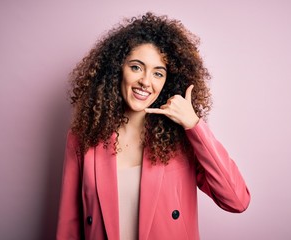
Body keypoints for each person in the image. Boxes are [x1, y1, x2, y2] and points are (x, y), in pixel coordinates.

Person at [56, 12, 250, 240]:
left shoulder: (181, 137)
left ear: (168, 81)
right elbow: (69, 223)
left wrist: (194, 125)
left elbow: (237, 200)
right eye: (136, 67)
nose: (146, 81)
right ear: (116, 69)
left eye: (158, 73)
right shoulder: (83, 136)